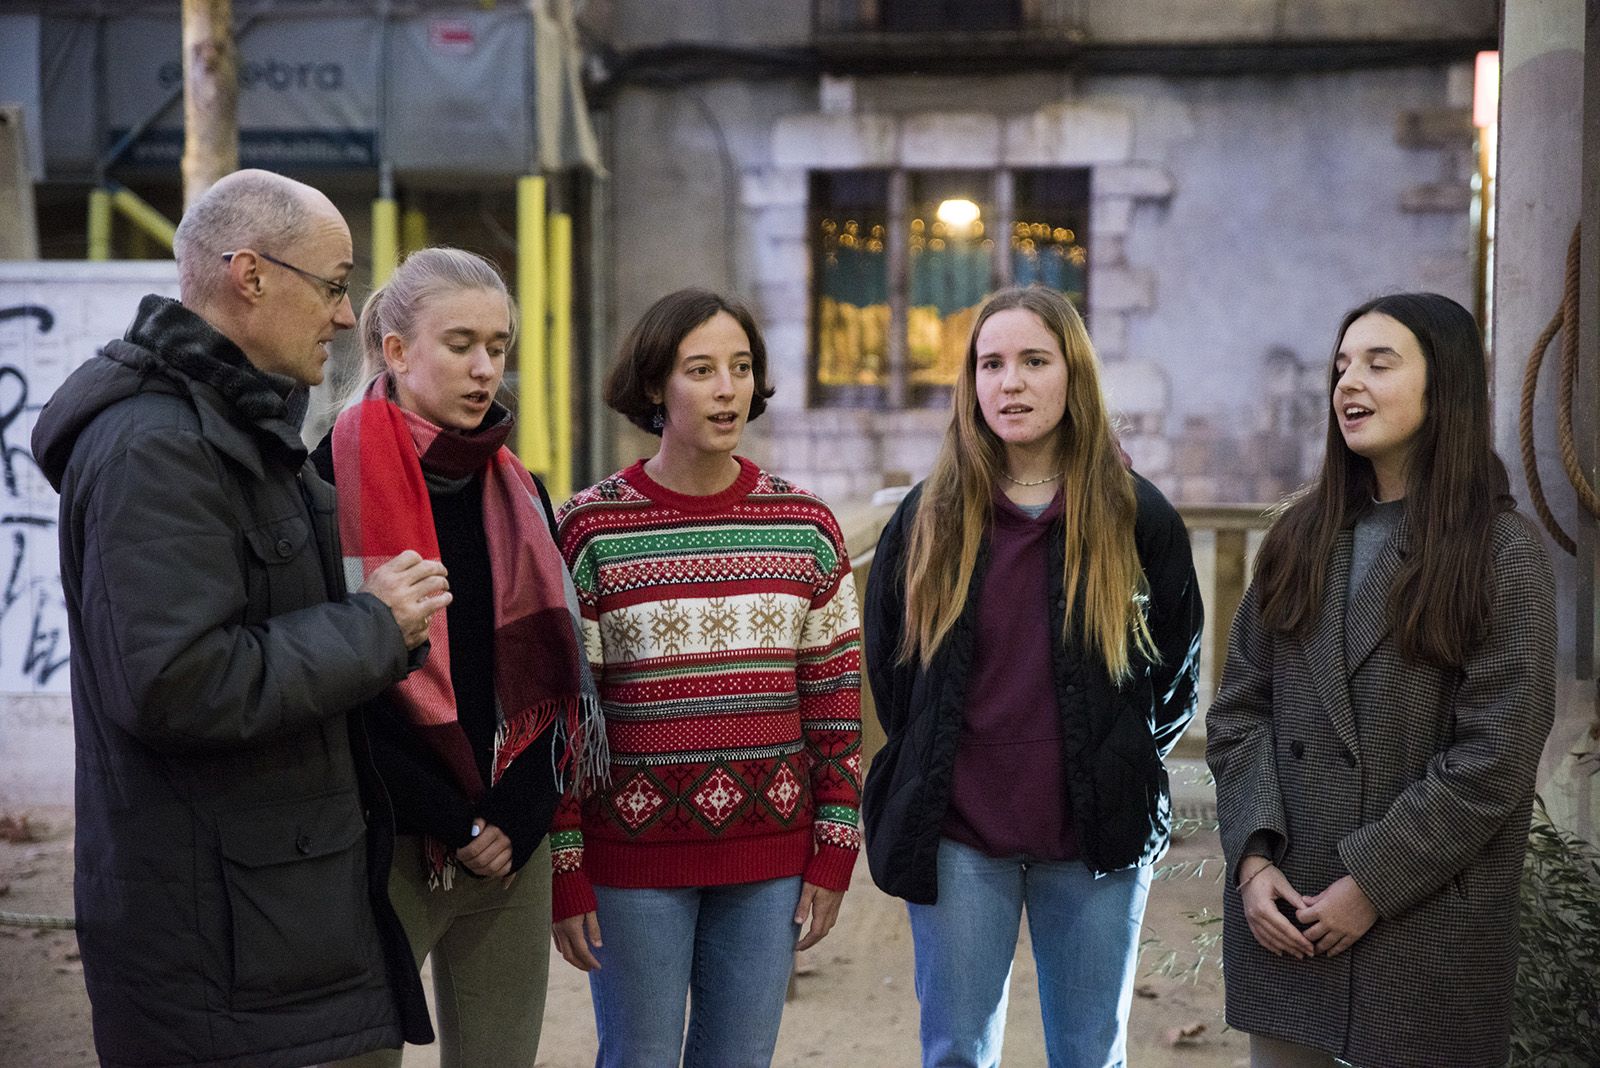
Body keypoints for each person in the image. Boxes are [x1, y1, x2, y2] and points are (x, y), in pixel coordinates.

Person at [31, 169, 444, 1067]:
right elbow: (178, 684)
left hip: (265, 932)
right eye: (334, 286)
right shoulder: (156, 448)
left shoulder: (234, 430)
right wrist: (374, 627)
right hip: (220, 954)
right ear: (250, 275)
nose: (346, 317)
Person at [1205, 293, 1556, 1068]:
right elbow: (1239, 711)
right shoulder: (1299, 536)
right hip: (1289, 909)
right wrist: (1254, 863)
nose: (1348, 383)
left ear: (1445, 384)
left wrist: (1368, 884)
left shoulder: (1503, 553)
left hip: (1422, 918)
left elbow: (1493, 760)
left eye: (1379, 363)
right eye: (1341, 366)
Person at [861, 284, 1202, 1068]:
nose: (1010, 382)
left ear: (1073, 373)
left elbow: (1173, 675)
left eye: (1034, 361)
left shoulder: (1136, 516)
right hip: (959, 835)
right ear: (971, 382)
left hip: (1093, 837)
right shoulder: (928, 518)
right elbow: (895, 674)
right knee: (956, 1050)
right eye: (991, 364)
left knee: (1090, 1052)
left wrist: (1115, 757)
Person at [549, 288, 863, 1068]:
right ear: (655, 385)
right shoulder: (590, 529)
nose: (728, 390)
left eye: (742, 367)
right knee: (640, 1058)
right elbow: (563, 721)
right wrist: (566, 865)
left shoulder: (805, 527)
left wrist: (834, 848)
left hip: (770, 859)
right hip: (632, 860)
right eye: (701, 370)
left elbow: (835, 710)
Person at [314, 247, 602, 1067]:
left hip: (511, 845)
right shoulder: (323, 484)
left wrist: (513, 819)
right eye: (461, 344)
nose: (485, 369)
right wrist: (457, 822)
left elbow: (555, 678)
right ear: (397, 351)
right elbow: (333, 687)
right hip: (384, 839)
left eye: (498, 347)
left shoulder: (521, 490)